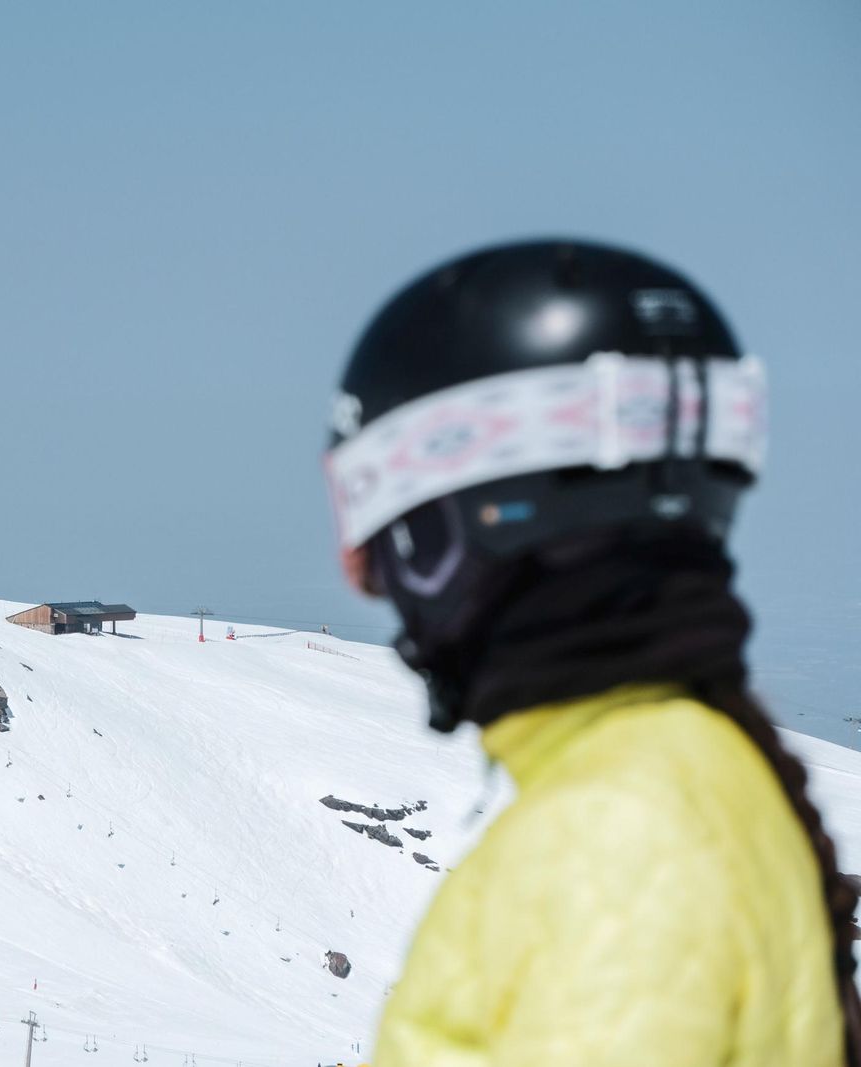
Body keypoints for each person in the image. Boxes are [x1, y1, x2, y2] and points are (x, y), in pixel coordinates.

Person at [322, 240, 858, 1066]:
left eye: (369, 504)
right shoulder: (698, 775)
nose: (359, 570)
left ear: (452, 528)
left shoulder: (615, 841)